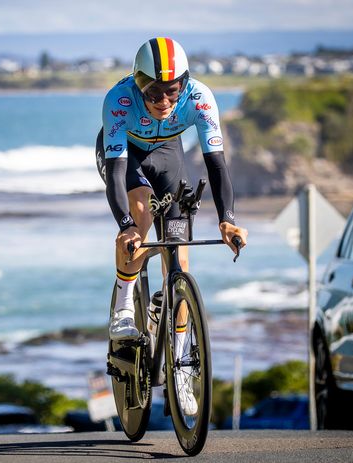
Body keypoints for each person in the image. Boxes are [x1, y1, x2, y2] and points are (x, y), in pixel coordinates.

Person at [97, 36, 248, 414]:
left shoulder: (200, 97)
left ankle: (181, 369)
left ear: (184, 83)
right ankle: (123, 308)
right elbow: (116, 173)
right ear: (138, 83)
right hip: (126, 156)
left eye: (172, 91)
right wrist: (127, 225)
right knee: (143, 216)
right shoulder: (119, 101)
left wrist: (227, 220)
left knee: (179, 262)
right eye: (153, 92)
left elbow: (216, 164)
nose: (164, 101)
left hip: (168, 156)